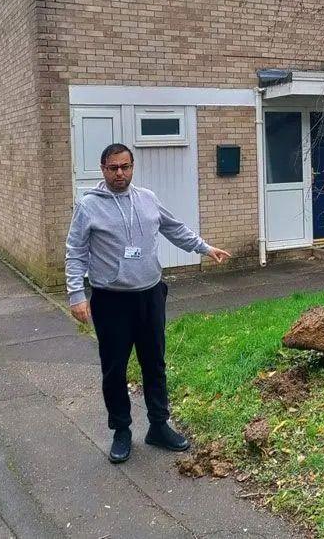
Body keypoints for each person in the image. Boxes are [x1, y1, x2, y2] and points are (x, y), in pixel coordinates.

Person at [65, 143, 231, 464]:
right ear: (102, 169)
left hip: (150, 295)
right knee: (114, 369)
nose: (120, 174)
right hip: (111, 301)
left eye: (125, 167)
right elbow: (75, 251)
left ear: (132, 167)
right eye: (113, 168)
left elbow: (174, 228)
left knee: (154, 363)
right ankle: (121, 431)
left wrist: (205, 248)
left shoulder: (148, 199)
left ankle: (158, 425)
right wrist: (76, 295)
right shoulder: (88, 206)